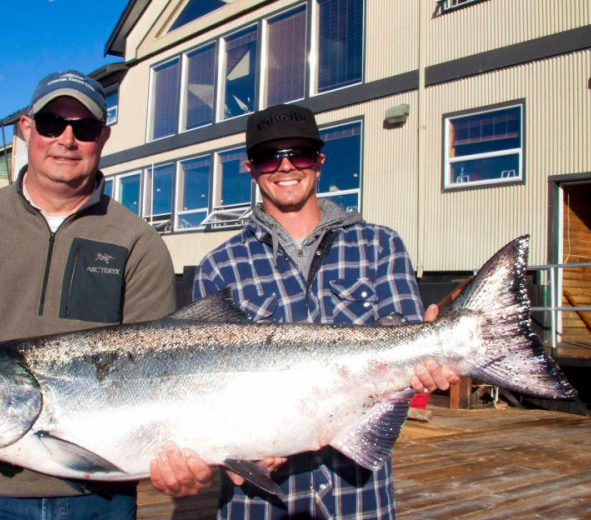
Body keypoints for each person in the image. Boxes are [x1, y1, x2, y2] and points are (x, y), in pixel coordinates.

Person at [0, 70, 199, 519]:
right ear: (27, 128)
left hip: (101, 499)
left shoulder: (137, 241)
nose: (67, 139)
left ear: (103, 138)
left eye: (85, 128)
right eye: (53, 122)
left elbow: (161, 370)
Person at [173, 103, 459, 518]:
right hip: (260, 505)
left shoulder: (380, 246)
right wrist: (232, 454)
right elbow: (201, 391)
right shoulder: (219, 266)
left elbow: (409, 360)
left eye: (300, 153)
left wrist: (435, 361)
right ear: (250, 168)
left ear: (320, 161)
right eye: (270, 156)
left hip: (359, 498)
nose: (286, 166)